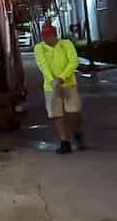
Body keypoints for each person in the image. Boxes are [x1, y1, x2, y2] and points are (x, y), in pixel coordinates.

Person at [34, 24, 86, 154]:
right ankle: (64, 142)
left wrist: (61, 78)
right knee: (56, 115)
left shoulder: (66, 44)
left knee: (74, 112)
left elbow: (73, 62)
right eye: (44, 35)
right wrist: (52, 81)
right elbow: (42, 65)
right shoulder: (39, 48)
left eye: (49, 35)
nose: (47, 38)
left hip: (69, 84)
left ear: (55, 34)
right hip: (50, 87)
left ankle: (76, 132)